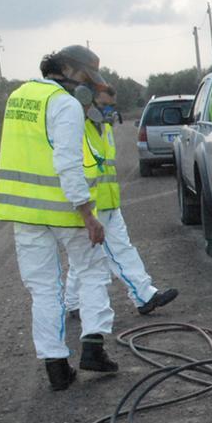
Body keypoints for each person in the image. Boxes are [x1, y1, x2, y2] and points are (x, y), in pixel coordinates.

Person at [0, 45, 121, 390]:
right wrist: (87, 213)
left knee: (44, 291)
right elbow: (67, 162)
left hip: (26, 214)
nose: (88, 85)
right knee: (92, 273)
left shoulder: (18, 96)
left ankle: (56, 368)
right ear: (66, 68)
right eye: (85, 76)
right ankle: (93, 348)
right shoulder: (65, 104)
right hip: (66, 211)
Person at [63, 83, 178, 318]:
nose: (108, 111)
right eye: (104, 105)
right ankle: (144, 296)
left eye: (111, 107)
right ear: (88, 101)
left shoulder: (102, 128)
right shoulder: (76, 127)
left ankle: (73, 303)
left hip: (107, 202)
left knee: (84, 256)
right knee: (117, 251)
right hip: (92, 204)